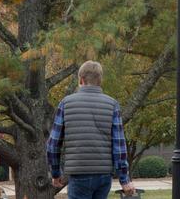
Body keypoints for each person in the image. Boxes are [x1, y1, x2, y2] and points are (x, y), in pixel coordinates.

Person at [46, 60, 136, 199]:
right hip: (103, 175)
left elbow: (53, 145)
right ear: (100, 80)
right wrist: (124, 179)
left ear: (81, 79)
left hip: (78, 174)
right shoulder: (112, 105)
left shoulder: (66, 103)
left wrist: (56, 173)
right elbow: (119, 146)